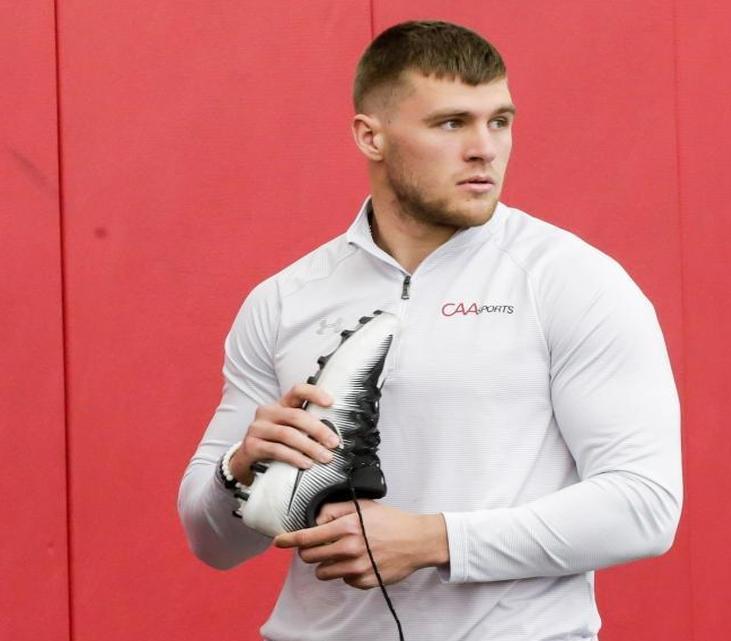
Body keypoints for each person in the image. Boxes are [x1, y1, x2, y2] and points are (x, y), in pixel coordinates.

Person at [178, 19, 682, 641]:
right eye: (452, 124)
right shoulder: (285, 299)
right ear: (372, 136)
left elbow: (644, 506)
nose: (485, 148)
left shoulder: (573, 281)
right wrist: (242, 467)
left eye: (499, 121)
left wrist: (436, 540)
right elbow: (213, 545)